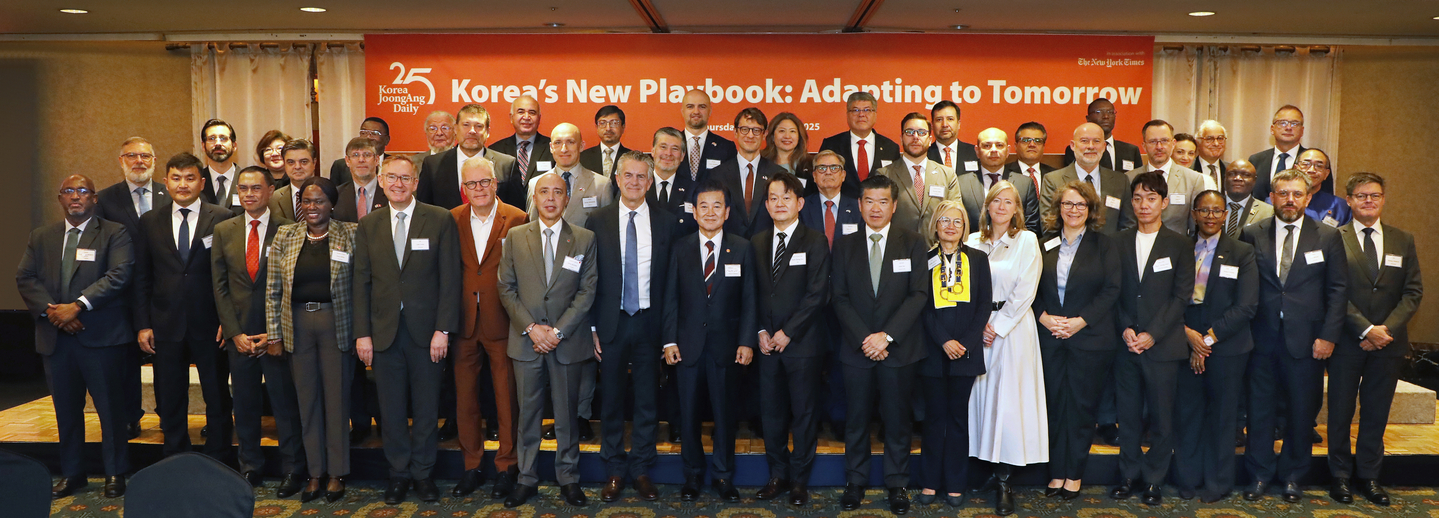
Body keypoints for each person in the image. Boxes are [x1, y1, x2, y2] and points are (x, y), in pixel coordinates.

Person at [353, 156, 462, 505]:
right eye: (392, 178)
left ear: (416, 183)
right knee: (391, 409)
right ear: (381, 181)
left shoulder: (440, 219)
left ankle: (423, 473)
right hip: (383, 334)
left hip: (427, 334)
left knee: (428, 408)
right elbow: (361, 282)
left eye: (405, 178)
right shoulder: (368, 224)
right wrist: (363, 333)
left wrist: (443, 329)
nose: (398, 184)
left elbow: (450, 280)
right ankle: (398, 473)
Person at [17, 174, 134, 499]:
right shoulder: (42, 236)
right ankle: (73, 474)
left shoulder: (114, 233)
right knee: (66, 411)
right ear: (60, 199)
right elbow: (25, 277)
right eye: (69, 191)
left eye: (83, 191)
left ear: (94, 198)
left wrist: (78, 306)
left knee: (111, 411)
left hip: (100, 338)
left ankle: (115, 473)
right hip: (57, 340)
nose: (76, 196)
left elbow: (119, 274)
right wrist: (55, 312)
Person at [1240, 168, 1347, 503]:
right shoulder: (1251, 233)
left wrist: (1329, 335)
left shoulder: (1328, 236)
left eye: (1296, 194)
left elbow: (1338, 290)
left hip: (1308, 341)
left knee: (1302, 413)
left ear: (1308, 197)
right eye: (1283, 193)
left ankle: (1292, 477)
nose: (1290, 200)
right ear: (1272, 197)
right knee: (1259, 412)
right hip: (1261, 340)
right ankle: (1259, 475)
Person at [497, 171, 599, 508]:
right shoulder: (514, 236)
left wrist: (556, 332)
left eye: (558, 192)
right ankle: (526, 478)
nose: (551, 198)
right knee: (527, 415)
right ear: (535, 198)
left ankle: (568, 478)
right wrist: (531, 328)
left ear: (567, 199)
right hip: (526, 342)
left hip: (566, 342)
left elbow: (587, 292)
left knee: (568, 416)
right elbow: (506, 288)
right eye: (544, 192)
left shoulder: (584, 239)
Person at [832, 174, 929, 515]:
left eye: (883, 201)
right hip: (856, 349)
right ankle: (855, 481)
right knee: (856, 419)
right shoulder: (844, 245)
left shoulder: (913, 242)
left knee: (897, 421)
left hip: (899, 349)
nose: (875, 208)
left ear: (895, 205)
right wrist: (865, 338)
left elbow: (919, 294)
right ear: (859, 205)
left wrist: (885, 336)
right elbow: (839, 298)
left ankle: (897, 484)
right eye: (869, 201)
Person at [583, 152, 676, 502]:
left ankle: (640, 469)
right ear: (617, 180)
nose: (634, 182)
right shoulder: (598, 221)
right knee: (611, 401)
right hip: (612, 322)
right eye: (628, 176)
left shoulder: (667, 223)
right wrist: (592, 328)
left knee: (648, 400)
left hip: (650, 322)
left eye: (641, 177)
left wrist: (669, 334)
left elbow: (671, 284)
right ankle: (614, 469)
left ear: (650, 183)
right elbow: (590, 280)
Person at [1328, 172, 1422, 507]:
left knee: (1376, 412)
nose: (1369, 201)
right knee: (1340, 411)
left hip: (1389, 344)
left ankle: (1369, 475)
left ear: (1383, 200)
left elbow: (1412, 292)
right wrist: (1366, 329)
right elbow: (1332, 292)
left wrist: (1385, 331)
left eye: (1375, 195)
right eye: (1362, 195)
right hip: (1347, 340)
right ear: (1349, 200)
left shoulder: (1402, 239)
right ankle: (1338, 476)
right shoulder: (1332, 238)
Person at [211, 167, 305, 496]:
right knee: (246, 405)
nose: (249, 194)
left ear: (270, 191)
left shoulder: (291, 230)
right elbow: (220, 287)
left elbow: (294, 287)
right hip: (240, 336)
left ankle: (294, 468)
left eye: (256, 188)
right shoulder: (224, 231)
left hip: (276, 335)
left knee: (284, 404)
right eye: (243, 188)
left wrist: (275, 332)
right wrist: (234, 331)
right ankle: (250, 466)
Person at [134, 152, 235, 460]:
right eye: (176, 178)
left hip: (211, 323)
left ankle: (219, 454)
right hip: (166, 323)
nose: (183, 185)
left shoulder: (222, 216)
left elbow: (231, 275)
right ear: (166, 182)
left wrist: (228, 321)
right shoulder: (150, 221)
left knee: (216, 394)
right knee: (171, 393)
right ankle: (175, 452)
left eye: (190, 178)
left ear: (201, 182)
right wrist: (143, 324)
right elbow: (142, 277)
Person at [661, 179, 757, 502]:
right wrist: (669, 341)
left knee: (725, 416)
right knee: (688, 415)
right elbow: (670, 299)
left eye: (718, 206)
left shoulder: (742, 248)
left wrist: (746, 342)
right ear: (694, 211)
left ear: (727, 212)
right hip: (686, 346)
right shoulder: (681, 247)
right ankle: (692, 476)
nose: (711, 212)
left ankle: (723, 476)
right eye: (704, 206)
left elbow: (749, 301)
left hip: (727, 349)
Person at [265, 176, 358, 503]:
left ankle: (336, 473)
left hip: (336, 324)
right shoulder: (286, 236)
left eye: (319, 201)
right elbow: (273, 289)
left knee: (336, 401)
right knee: (307, 402)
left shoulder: (350, 234)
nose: (312, 207)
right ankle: (314, 473)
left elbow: (361, 287)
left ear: (331, 204)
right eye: (306, 201)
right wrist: (273, 334)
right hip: (297, 324)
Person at [1109, 172, 1194, 506]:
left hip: (1163, 345)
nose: (1144, 205)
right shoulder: (1117, 241)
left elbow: (1180, 296)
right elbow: (1113, 292)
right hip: (1125, 343)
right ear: (1131, 203)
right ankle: (1128, 475)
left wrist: (1152, 334)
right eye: (1138, 198)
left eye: (1151, 198)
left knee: (1162, 417)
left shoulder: (1180, 244)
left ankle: (1155, 479)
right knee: (1127, 416)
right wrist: (1127, 329)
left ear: (1163, 202)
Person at [1034, 181, 1121, 500]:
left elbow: (1112, 289)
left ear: (1091, 210)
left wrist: (1079, 322)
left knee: (1082, 409)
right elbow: (1028, 288)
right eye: (1068, 204)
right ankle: (1056, 472)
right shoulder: (1041, 244)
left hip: (1090, 339)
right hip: (1049, 337)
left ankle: (1074, 474)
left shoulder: (1105, 245)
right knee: (1054, 407)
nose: (1073, 210)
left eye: (1080, 205)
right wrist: (1043, 317)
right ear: (1058, 209)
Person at [449, 156, 529, 498]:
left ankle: (506, 466)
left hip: (503, 320)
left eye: (484, 182)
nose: (478, 189)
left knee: (506, 398)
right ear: (463, 189)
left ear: (495, 183)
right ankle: (471, 466)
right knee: (465, 400)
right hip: (463, 321)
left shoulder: (517, 218)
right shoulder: (451, 219)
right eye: (472, 184)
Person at [966, 180, 1045, 516]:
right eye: (995, 200)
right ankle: (985, 465)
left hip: (1012, 330)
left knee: (1010, 402)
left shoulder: (1026, 240)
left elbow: (1026, 290)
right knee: (981, 400)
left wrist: (996, 327)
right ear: (987, 205)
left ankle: (1004, 479)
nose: (1001, 206)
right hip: (975, 329)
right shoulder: (971, 240)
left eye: (1008, 201)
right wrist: (977, 326)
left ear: (1017, 209)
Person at [1173, 190, 1258, 503]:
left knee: (1222, 417)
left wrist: (1205, 340)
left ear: (1226, 215)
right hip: (1183, 342)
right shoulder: (1180, 248)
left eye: (1217, 211)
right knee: (1187, 414)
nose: (1210, 216)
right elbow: (1169, 296)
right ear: (1194, 214)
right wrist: (1188, 335)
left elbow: (1247, 305)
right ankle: (1187, 478)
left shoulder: (1242, 251)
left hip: (1227, 347)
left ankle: (1218, 482)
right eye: (1204, 210)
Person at [752, 172, 831, 507]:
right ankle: (777, 474)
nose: (779, 203)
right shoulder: (756, 242)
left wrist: (788, 332)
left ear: (799, 203)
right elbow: (751, 295)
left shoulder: (815, 241)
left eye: (786, 197)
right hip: (767, 346)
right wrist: (760, 332)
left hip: (802, 344)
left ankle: (799, 479)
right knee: (771, 414)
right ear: (766, 204)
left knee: (803, 414)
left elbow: (817, 295)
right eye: (773, 197)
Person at [917, 199, 993, 508]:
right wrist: (944, 340)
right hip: (933, 352)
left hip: (967, 352)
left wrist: (966, 342)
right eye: (945, 220)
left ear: (965, 228)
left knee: (958, 420)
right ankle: (929, 483)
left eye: (957, 221)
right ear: (935, 225)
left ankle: (956, 484)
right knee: (934, 419)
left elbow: (984, 304)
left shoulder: (977, 259)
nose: (950, 226)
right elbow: (921, 306)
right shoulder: (924, 259)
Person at [95, 137, 169, 440]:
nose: (139, 161)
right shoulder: (105, 199)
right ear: (120, 160)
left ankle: (169, 413)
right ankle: (130, 416)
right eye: (131, 156)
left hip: (164, 288)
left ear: (154, 160)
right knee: (126, 359)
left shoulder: (170, 194)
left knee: (167, 356)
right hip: (122, 293)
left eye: (145, 156)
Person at [417, 104, 521, 212]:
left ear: (488, 132)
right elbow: (423, 211)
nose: (472, 131)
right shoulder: (433, 165)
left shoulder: (506, 165)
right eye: (466, 125)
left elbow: (517, 212)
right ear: (456, 129)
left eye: (479, 126)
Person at [875, 113, 960, 236]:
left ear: (930, 139)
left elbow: (956, 214)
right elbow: (879, 216)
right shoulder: (885, 175)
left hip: (936, 249)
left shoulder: (947, 175)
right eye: (909, 132)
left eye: (921, 132)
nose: (915, 137)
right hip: (898, 249)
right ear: (901, 138)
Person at [1122, 120, 1214, 233]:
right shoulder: (1128, 178)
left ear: (1173, 143)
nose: (1159, 147)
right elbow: (1126, 222)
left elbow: (1196, 227)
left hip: (1177, 248)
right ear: (1144, 146)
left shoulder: (1193, 179)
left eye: (1164, 141)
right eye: (1153, 141)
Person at [1041, 123, 1131, 235]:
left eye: (1096, 141)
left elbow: (1128, 226)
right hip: (1068, 250)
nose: (1091, 146)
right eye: (1084, 141)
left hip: (1111, 251)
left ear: (1104, 147)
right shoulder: (1053, 180)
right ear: (1073, 145)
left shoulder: (1121, 181)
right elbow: (1048, 226)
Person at [525, 123, 613, 227]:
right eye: (558, 143)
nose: (564, 149)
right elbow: (532, 227)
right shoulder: (535, 183)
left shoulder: (601, 185)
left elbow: (607, 228)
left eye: (570, 142)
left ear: (581, 146)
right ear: (551, 147)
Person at [960, 128, 1042, 235]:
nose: (994, 150)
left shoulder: (1025, 184)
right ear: (977, 151)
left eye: (999, 145)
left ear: (1008, 151)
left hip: (1014, 248)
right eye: (987, 146)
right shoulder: (961, 183)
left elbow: (1032, 226)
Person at [819, 91, 900, 198]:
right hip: (841, 211)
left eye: (867, 110)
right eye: (856, 110)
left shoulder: (891, 148)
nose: (861, 115)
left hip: (877, 210)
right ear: (847, 114)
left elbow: (894, 186)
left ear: (875, 114)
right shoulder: (831, 145)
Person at [717, 107, 782, 238]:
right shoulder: (718, 175)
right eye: (744, 129)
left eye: (756, 130)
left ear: (764, 135)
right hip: (729, 250)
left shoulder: (778, 174)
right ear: (735, 132)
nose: (750, 135)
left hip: (766, 248)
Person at [1249, 105, 1320, 201]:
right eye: (1282, 123)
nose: (1288, 127)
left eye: (1294, 123)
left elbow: (1325, 201)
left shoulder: (1317, 161)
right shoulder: (1256, 160)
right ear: (1272, 129)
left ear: (1302, 131)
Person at [490, 95, 554, 199]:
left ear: (539, 118)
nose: (526, 117)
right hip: (508, 213)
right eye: (521, 112)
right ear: (511, 117)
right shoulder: (495, 150)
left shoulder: (553, 148)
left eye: (532, 112)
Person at [1063, 98, 1143, 171]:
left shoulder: (1131, 151)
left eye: (1110, 112)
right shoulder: (1076, 149)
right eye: (1099, 112)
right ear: (1088, 118)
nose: (1106, 116)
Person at [676, 89, 737, 183]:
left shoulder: (726, 148)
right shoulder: (671, 145)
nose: (696, 111)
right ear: (682, 111)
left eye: (702, 107)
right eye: (690, 106)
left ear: (710, 111)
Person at [649, 127, 698, 233]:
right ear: (653, 151)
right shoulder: (637, 185)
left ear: (682, 156)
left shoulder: (694, 190)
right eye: (663, 147)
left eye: (675, 149)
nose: (668, 153)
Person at [333, 137, 388, 223]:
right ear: (347, 161)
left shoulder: (390, 192)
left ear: (376, 160)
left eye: (367, 155)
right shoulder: (336, 195)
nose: (361, 160)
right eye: (355, 155)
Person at [330, 116, 392, 187]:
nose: (368, 137)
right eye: (364, 132)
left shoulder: (394, 164)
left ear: (387, 140)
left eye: (375, 133)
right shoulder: (341, 166)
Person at [1296, 149, 1351, 227]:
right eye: (1306, 164)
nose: (1312, 170)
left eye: (1319, 166)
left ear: (1326, 174)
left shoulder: (1341, 207)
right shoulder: (1277, 201)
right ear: (1296, 168)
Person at [1220, 160, 1273, 238]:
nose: (1238, 178)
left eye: (1245, 175)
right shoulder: (1211, 207)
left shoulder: (1268, 212)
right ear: (1225, 178)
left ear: (1254, 180)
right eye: (1232, 174)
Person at [269, 139, 319, 221]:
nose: (297, 167)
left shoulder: (328, 195)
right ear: (284, 164)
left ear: (314, 163)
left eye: (303, 161)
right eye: (291, 162)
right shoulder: (273, 199)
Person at [199, 118, 241, 212]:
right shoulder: (195, 181)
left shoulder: (247, 179)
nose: (218, 144)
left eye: (223, 138)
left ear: (234, 146)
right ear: (203, 146)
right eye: (212, 138)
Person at [581, 104, 631, 180]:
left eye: (614, 123)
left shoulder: (632, 158)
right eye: (602, 123)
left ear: (623, 127)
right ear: (597, 127)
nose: (608, 128)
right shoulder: (582, 158)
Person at [927, 100, 979, 172]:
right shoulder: (924, 154)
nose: (945, 124)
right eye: (939, 120)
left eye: (950, 119)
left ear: (958, 124)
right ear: (932, 125)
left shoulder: (975, 153)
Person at [1005, 122, 1057, 190]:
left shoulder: (1055, 175)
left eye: (1038, 140)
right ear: (1016, 146)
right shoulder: (1004, 173)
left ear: (1043, 146)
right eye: (1026, 140)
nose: (1032, 144)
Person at [762, 112, 813, 180]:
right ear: (772, 136)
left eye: (792, 131)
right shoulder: (760, 163)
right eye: (782, 131)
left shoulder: (810, 165)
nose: (787, 136)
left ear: (799, 137)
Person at [1194, 121, 1228, 188]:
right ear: (1198, 142)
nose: (1216, 144)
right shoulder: (1189, 169)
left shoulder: (1231, 170)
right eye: (1209, 139)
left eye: (1220, 138)